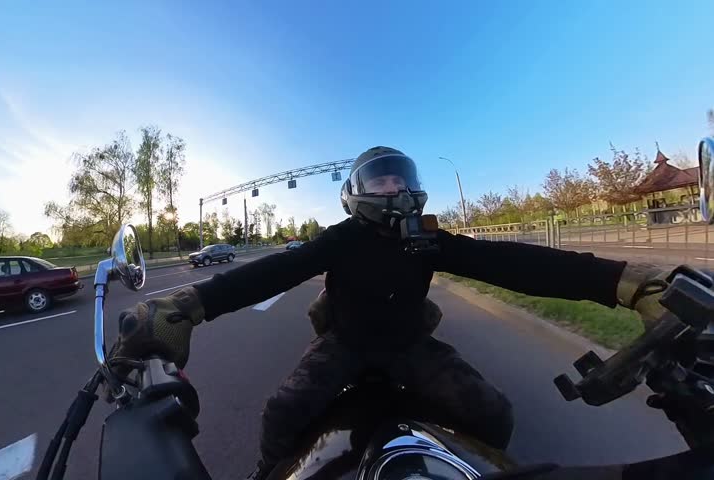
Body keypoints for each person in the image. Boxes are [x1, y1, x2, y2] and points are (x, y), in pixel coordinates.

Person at [110, 146, 670, 480]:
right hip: (345, 343)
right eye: (380, 178)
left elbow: (508, 262)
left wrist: (620, 283)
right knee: (281, 411)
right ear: (355, 195)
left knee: (494, 413)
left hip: (409, 345)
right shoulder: (338, 237)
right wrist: (189, 304)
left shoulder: (427, 237)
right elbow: (273, 273)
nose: (394, 185)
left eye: (401, 176)